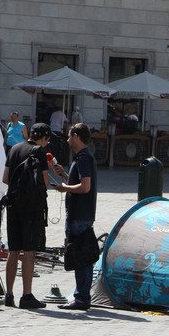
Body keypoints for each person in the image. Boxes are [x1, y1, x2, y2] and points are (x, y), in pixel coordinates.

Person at [2, 123, 52, 309]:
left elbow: (5, 178)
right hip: (32, 208)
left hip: (13, 205)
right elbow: (45, 182)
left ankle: (9, 294)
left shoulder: (14, 149)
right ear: (44, 138)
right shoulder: (38, 151)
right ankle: (27, 295)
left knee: (13, 250)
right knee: (29, 251)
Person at [53, 123, 98, 311]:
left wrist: (65, 188)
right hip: (82, 213)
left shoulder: (82, 158)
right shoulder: (84, 157)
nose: (68, 139)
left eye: (70, 136)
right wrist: (64, 175)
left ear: (77, 137)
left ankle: (81, 297)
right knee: (83, 256)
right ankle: (81, 294)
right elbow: (79, 183)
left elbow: (85, 186)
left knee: (81, 256)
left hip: (80, 214)